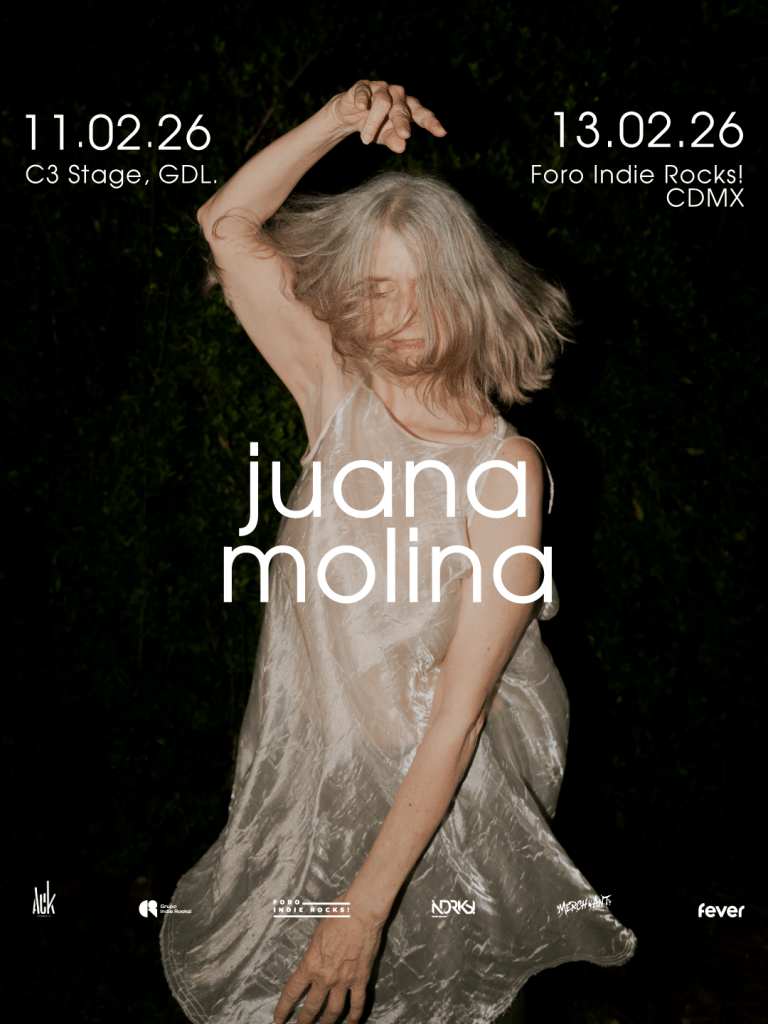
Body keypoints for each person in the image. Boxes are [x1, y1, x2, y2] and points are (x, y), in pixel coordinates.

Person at [160, 80, 636, 1024]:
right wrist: (339, 120)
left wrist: (364, 913)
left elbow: (461, 713)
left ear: (471, 293)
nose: (402, 317)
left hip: (445, 810)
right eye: (378, 290)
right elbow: (227, 224)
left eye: (425, 288)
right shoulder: (337, 391)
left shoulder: (505, 472)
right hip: (316, 783)